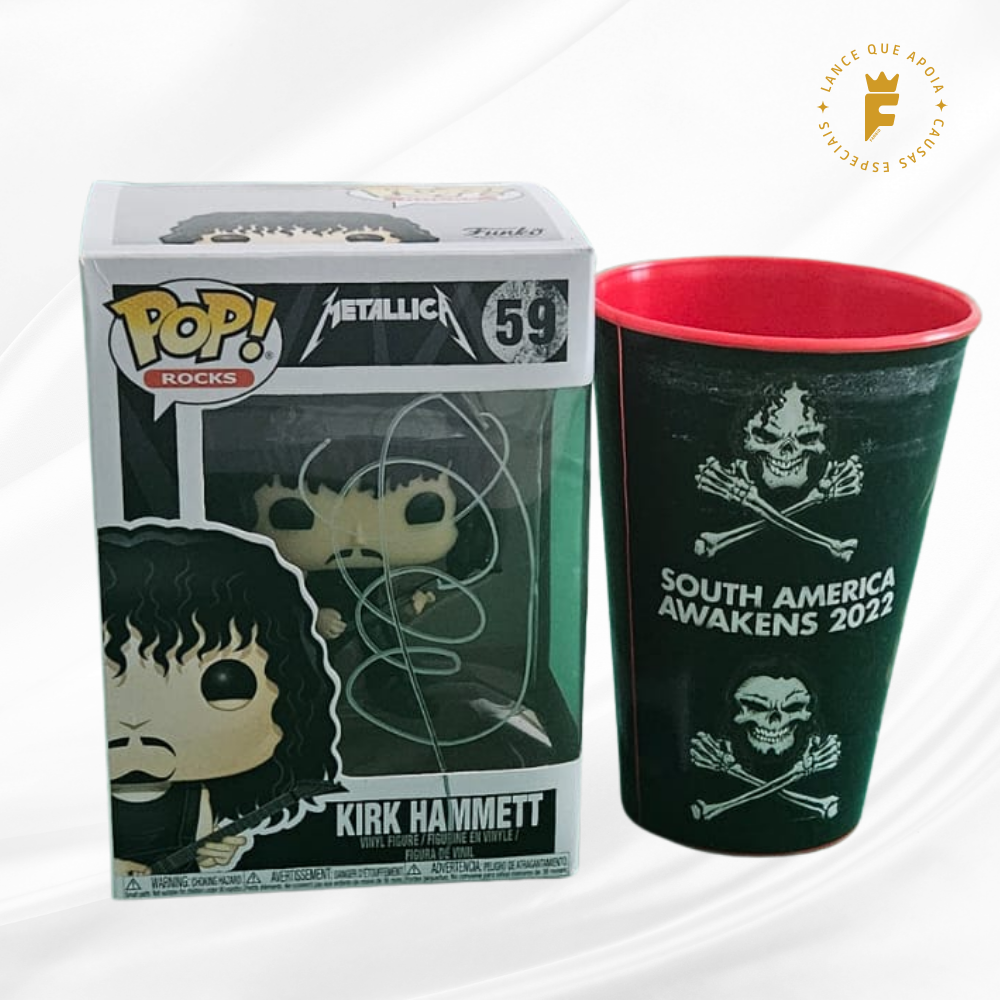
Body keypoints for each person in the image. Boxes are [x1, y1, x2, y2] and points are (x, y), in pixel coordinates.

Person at [100, 524, 341, 875]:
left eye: (224, 686)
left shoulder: (195, 797)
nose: (138, 724)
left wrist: (214, 856)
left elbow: (198, 850)